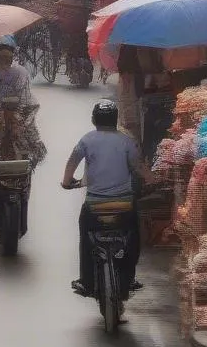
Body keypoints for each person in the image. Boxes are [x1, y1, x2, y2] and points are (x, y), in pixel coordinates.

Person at [61, 99, 155, 300]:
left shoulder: (86, 140)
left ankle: (86, 282)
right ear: (115, 119)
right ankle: (129, 279)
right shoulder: (126, 141)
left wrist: (67, 182)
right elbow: (138, 167)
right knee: (133, 237)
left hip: (95, 206)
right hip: (124, 206)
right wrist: (152, 180)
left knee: (86, 238)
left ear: (94, 119)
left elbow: (72, 163)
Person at [0, 95, 46, 229]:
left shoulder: (24, 122)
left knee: (25, 186)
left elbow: (35, 141)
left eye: (13, 109)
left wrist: (35, 154)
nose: (11, 112)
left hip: (18, 164)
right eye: (9, 109)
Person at [0, 35, 35, 110]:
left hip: (13, 117)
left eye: (10, 56)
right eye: (4, 56)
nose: (8, 60)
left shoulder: (19, 73)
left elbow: (26, 103)